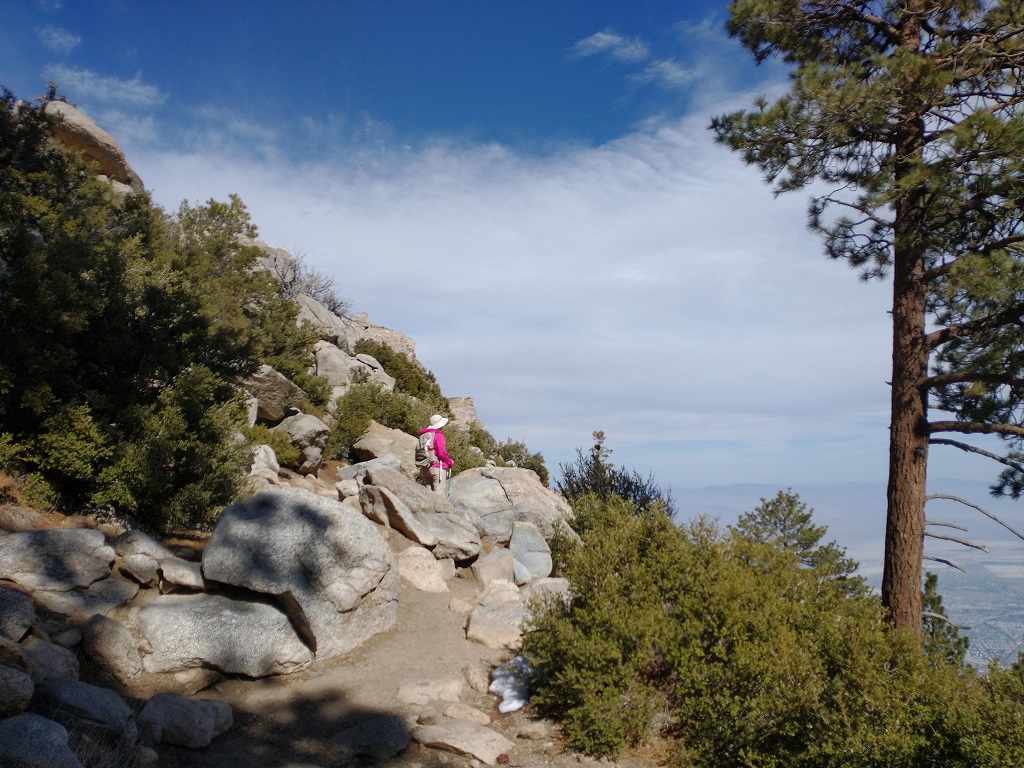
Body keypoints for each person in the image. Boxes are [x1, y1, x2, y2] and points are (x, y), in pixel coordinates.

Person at [417, 414, 453, 493]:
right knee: (438, 494)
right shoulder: (438, 435)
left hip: (425, 467)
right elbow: (442, 453)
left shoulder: (424, 435)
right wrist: (449, 461)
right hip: (437, 468)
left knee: (428, 494)